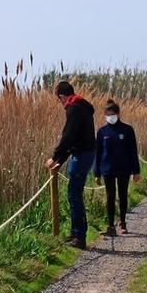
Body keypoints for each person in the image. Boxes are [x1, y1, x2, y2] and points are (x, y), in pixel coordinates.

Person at [44, 81, 96, 249]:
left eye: (59, 100)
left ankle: (79, 236)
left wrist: (54, 157)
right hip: (85, 154)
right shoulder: (82, 107)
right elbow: (74, 138)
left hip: (81, 156)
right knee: (75, 194)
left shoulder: (74, 108)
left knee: (74, 195)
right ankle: (77, 233)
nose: (61, 104)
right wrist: (60, 161)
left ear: (62, 96)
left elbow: (68, 137)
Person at [94, 100, 142, 237]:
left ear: (118, 113)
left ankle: (123, 222)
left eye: (112, 114)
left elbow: (133, 151)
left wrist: (136, 171)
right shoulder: (102, 132)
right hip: (107, 169)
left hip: (124, 168)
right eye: (107, 114)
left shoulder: (127, 130)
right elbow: (98, 153)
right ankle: (110, 226)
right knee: (110, 196)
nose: (110, 117)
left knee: (122, 195)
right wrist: (96, 172)